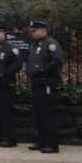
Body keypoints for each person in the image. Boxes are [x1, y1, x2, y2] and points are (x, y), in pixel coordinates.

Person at [26, 20, 64, 154]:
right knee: (39, 115)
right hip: (36, 84)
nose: (32, 33)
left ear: (43, 30)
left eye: (34, 31)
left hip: (47, 83)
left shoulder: (51, 44)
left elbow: (57, 61)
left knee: (49, 114)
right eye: (31, 31)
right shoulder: (34, 44)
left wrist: (43, 70)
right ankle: (41, 141)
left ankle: (52, 144)